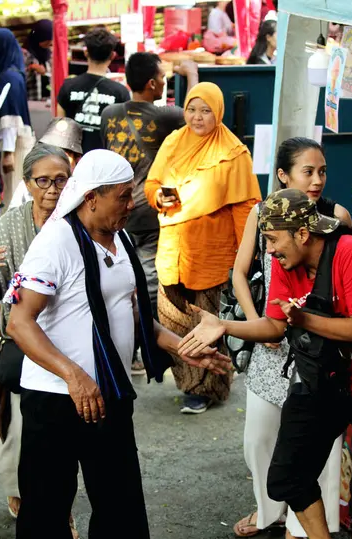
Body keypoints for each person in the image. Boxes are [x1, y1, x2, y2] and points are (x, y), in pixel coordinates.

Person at [4, 149, 230, 539]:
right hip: (55, 396)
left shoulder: (120, 239)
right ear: (91, 197)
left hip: (107, 391)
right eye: (124, 197)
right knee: (47, 504)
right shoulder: (55, 242)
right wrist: (72, 375)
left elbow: (131, 312)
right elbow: (18, 322)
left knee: (119, 496)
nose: (132, 204)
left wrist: (184, 351)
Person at [179, 189, 352, 539]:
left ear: (303, 233)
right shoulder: (286, 262)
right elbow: (274, 326)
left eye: (273, 240)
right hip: (321, 377)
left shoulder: (351, 253)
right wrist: (224, 326)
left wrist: (304, 318)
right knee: (287, 473)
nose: (269, 250)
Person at [232, 137, 352, 539]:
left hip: (318, 345)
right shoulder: (261, 214)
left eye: (321, 171)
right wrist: (256, 323)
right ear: (282, 176)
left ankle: (301, 526)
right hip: (271, 337)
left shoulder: (337, 216)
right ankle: (270, 510)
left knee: (316, 442)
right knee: (260, 437)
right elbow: (240, 272)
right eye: (307, 171)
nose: (317, 179)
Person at [0, 144, 80, 539]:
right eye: (43, 181)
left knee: (60, 436)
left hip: (68, 342)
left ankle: (59, 510)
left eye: (62, 180)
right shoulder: (11, 223)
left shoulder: (78, 223)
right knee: (18, 427)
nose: (53, 189)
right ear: (27, 184)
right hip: (20, 344)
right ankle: (21, 493)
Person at [145, 82, 261, 414]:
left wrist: (246, 255)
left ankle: (204, 388)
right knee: (174, 320)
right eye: (191, 109)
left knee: (207, 322)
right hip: (172, 248)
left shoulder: (234, 152)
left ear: (219, 112)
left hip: (212, 253)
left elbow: (245, 208)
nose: (197, 117)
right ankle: (192, 381)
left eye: (205, 110)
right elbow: (153, 183)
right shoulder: (173, 141)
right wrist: (159, 197)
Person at [101, 52, 198, 321]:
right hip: (148, 210)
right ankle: (148, 335)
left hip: (113, 209)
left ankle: (125, 340)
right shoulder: (164, 115)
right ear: (152, 84)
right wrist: (191, 74)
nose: (164, 82)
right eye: (162, 77)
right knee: (150, 279)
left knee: (118, 278)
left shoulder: (109, 114)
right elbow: (195, 114)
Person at [57, 27, 130, 154]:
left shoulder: (68, 87)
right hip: (106, 163)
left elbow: (59, 128)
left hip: (74, 161)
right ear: (112, 55)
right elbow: (123, 135)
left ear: (86, 53)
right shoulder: (121, 93)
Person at [0, 28, 34, 208]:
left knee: (12, 197)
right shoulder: (6, 73)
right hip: (10, 145)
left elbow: (10, 116)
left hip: (14, 147)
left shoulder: (10, 77)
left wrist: (8, 152)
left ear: (2, 47)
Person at [8, 117, 83, 210]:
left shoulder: (82, 190)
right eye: (50, 151)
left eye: (64, 155)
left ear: (77, 159)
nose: (56, 160)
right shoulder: (30, 183)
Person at [24, 19, 53, 101]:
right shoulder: (25, 55)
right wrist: (30, 70)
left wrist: (45, 73)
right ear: (38, 37)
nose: (50, 42)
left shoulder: (49, 54)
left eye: (51, 38)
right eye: (46, 39)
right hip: (32, 103)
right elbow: (18, 81)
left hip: (48, 104)